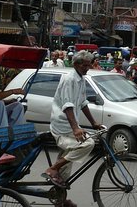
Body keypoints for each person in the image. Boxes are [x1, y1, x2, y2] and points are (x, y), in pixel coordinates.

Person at [43, 51, 102, 190]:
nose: (87, 68)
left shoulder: (81, 78)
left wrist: (93, 123)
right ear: (76, 64)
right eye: (85, 66)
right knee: (88, 143)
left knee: (67, 163)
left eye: (89, 65)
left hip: (70, 124)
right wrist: (76, 128)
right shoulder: (69, 79)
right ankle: (53, 168)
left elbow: (83, 103)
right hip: (62, 125)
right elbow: (67, 106)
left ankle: (60, 199)